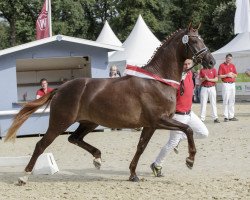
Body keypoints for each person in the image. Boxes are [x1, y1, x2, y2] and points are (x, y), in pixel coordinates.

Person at [150, 59, 209, 177]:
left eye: (188, 64)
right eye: (184, 64)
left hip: (190, 114)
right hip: (178, 115)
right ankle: (156, 164)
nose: (187, 66)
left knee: (204, 133)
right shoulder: (176, 77)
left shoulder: (191, 74)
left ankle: (180, 139)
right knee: (172, 142)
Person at [218, 53, 238, 122]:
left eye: (230, 59)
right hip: (226, 84)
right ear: (225, 58)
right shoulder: (221, 65)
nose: (229, 60)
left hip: (232, 84)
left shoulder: (232, 65)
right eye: (228, 59)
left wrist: (233, 75)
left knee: (232, 100)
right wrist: (227, 75)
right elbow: (219, 76)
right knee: (226, 100)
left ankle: (231, 116)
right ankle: (226, 117)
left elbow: (236, 75)